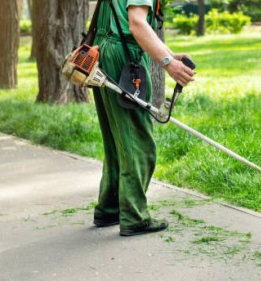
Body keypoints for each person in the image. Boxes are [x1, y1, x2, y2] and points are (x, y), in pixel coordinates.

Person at [91, 0, 195, 236]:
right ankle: (134, 216)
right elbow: (137, 24)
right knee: (139, 144)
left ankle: (110, 208)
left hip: (104, 52)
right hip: (123, 58)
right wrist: (168, 64)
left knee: (117, 140)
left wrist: (170, 54)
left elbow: (126, 23)